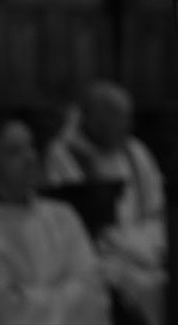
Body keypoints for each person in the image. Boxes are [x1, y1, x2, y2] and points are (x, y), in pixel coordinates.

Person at [0, 111, 111, 324]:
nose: (30, 158)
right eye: (14, 152)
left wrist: (29, 297)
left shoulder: (63, 215)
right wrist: (67, 296)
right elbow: (5, 315)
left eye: (31, 147)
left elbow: (94, 293)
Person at [44, 82, 166, 325]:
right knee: (145, 287)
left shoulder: (134, 150)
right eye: (118, 118)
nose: (127, 126)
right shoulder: (64, 154)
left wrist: (146, 245)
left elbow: (156, 207)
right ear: (93, 120)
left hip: (144, 248)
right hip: (98, 252)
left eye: (127, 118)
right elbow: (75, 217)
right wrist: (126, 246)